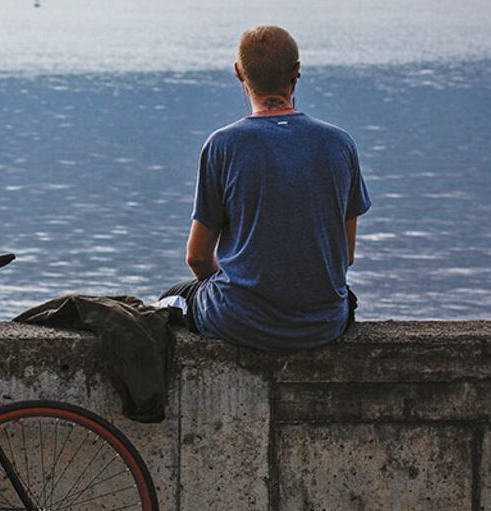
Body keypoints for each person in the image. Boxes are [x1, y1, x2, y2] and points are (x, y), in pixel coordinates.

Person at [159, 25, 371, 352]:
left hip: (237, 321)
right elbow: (345, 256)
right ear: (297, 72)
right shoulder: (340, 144)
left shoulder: (223, 146)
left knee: (166, 301)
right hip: (323, 323)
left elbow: (198, 258)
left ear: (238, 73)